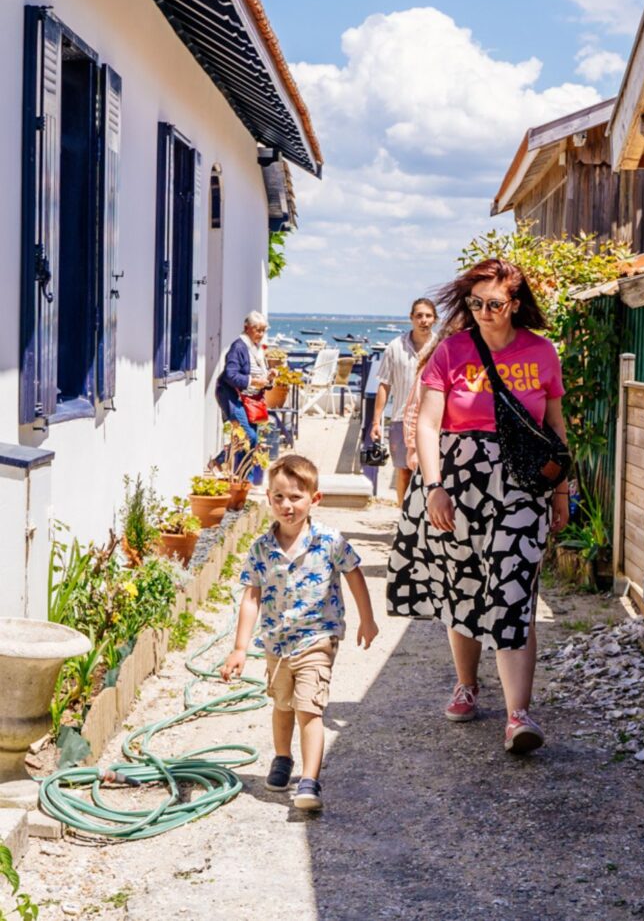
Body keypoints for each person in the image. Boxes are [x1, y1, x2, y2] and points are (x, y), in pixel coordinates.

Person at [387, 258, 570, 755]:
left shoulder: (541, 351)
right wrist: (433, 487)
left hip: (523, 485)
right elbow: (428, 424)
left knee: (514, 587)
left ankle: (518, 716)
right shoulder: (452, 350)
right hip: (459, 483)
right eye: (475, 303)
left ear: (515, 304)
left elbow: (555, 427)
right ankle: (467, 683)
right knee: (464, 585)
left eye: (493, 303)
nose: (484, 312)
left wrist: (560, 491)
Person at [220, 453, 379, 811]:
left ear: (314, 498)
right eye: (278, 497)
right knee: (282, 704)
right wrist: (240, 648)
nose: (286, 505)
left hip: (318, 639)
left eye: (295, 497)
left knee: (309, 707)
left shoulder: (329, 541)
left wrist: (367, 619)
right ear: (268, 498)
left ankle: (309, 780)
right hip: (277, 643)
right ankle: (282, 758)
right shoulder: (261, 549)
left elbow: (354, 574)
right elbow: (251, 596)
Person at [370, 298, 438, 504]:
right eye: (419, 315)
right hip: (401, 418)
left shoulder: (441, 346)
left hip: (434, 421)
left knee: (432, 473)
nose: (424, 320)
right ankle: (402, 516)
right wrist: (376, 421)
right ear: (411, 318)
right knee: (404, 472)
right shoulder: (395, 347)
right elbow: (384, 385)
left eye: (428, 316)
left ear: (434, 319)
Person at [213, 311, 271, 482]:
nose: (261, 334)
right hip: (232, 396)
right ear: (247, 328)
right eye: (257, 330)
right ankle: (241, 477)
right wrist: (253, 381)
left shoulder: (256, 349)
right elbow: (230, 374)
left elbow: (259, 375)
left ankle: (242, 478)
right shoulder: (239, 347)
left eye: (263, 330)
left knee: (249, 438)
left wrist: (269, 377)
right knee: (249, 436)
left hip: (250, 399)